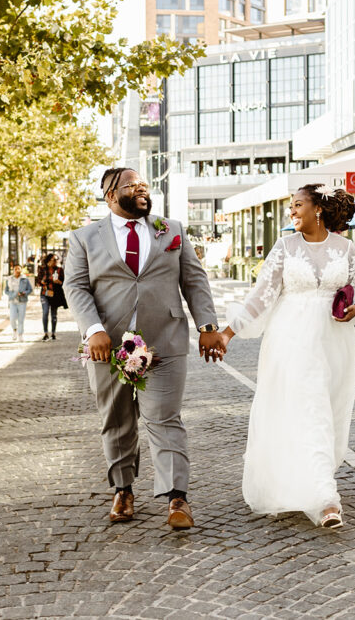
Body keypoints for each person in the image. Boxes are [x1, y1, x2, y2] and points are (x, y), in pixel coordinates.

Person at [64, 167, 226, 530]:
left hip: (165, 340)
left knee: (165, 418)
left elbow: (194, 280)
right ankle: (122, 490)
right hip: (108, 346)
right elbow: (75, 287)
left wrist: (207, 326)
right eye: (131, 185)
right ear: (110, 195)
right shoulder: (84, 238)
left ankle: (176, 497)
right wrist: (93, 330)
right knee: (117, 420)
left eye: (143, 184)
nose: (141, 189)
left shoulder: (172, 229)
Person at [221, 184, 355, 529]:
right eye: (290, 206)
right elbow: (260, 297)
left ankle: (307, 479)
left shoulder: (345, 248)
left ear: (317, 208)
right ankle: (325, 500)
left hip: (335, 342)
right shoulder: (285, 247)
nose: (291, 211)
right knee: (311, 410)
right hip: (291, 341)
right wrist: (227, 332)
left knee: (330, 412)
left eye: (297, 204)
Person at [35, 252, 68, 341]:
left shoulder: (59, 270)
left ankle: (53, 333)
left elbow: (64, 282)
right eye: (54, 259)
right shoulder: (42, 269)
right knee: (45, 312)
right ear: (49, 260)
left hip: (55, 295)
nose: (56, 261)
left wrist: (59, 282)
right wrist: (42, 282)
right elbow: (38, 282)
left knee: (54, 315)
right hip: (45, 294)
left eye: (57, 259)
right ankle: (45, 333)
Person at [4, 262, 32, 342]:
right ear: (13, 270)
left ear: (21, 270)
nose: (17, 270)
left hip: (22, 301)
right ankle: (14, 330)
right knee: (12, 318)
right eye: (15, 269)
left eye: (18, 269)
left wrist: (24, 293)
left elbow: (30, 289)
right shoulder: (9, 279)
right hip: (12, 301)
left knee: (21, 319)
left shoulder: (25, 279)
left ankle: (20, 334)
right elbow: (6, 291)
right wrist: (11, 294)